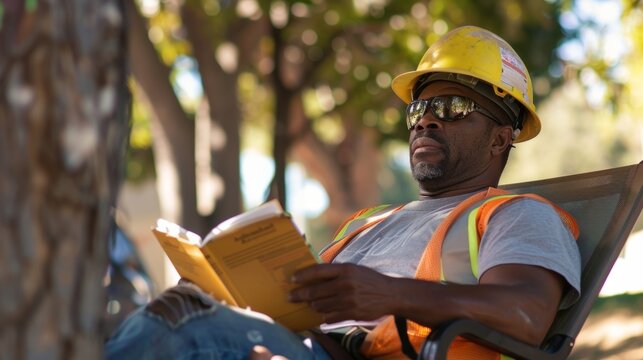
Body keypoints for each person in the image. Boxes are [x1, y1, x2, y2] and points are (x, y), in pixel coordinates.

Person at [105, 25, 580, 360]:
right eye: (420, 110)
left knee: (181, 326)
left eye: (454, 108)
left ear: (500, 138)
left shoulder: (516, 215)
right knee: (181, 304)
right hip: (299, 346)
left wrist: (390, 294)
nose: (428, 120)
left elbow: (527, 312)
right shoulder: (369, 220)